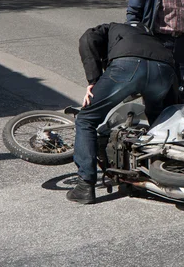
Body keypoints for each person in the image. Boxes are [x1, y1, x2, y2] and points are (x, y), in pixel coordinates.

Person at [67, 22, 176, 205]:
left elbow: (87, 38)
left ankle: (85, 185)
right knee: (159, 121)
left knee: (86, 119)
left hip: (128, 66)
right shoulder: (150, 36)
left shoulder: (109, 28)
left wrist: (93, 80)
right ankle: (161, 172)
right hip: (164, 69)